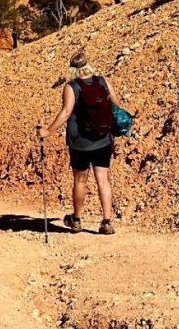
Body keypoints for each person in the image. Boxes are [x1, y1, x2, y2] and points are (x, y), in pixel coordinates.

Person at [38, 49, 119, 235]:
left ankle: (76, 220)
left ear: (72, 68)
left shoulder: (72, 86)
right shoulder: (103, 81)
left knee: (80, 180)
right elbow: (116, 102)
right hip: (102, 139)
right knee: (103, 180)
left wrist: (48, 131)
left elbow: (66, 112)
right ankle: (107, 223)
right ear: (88, 64)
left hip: (80, 143)